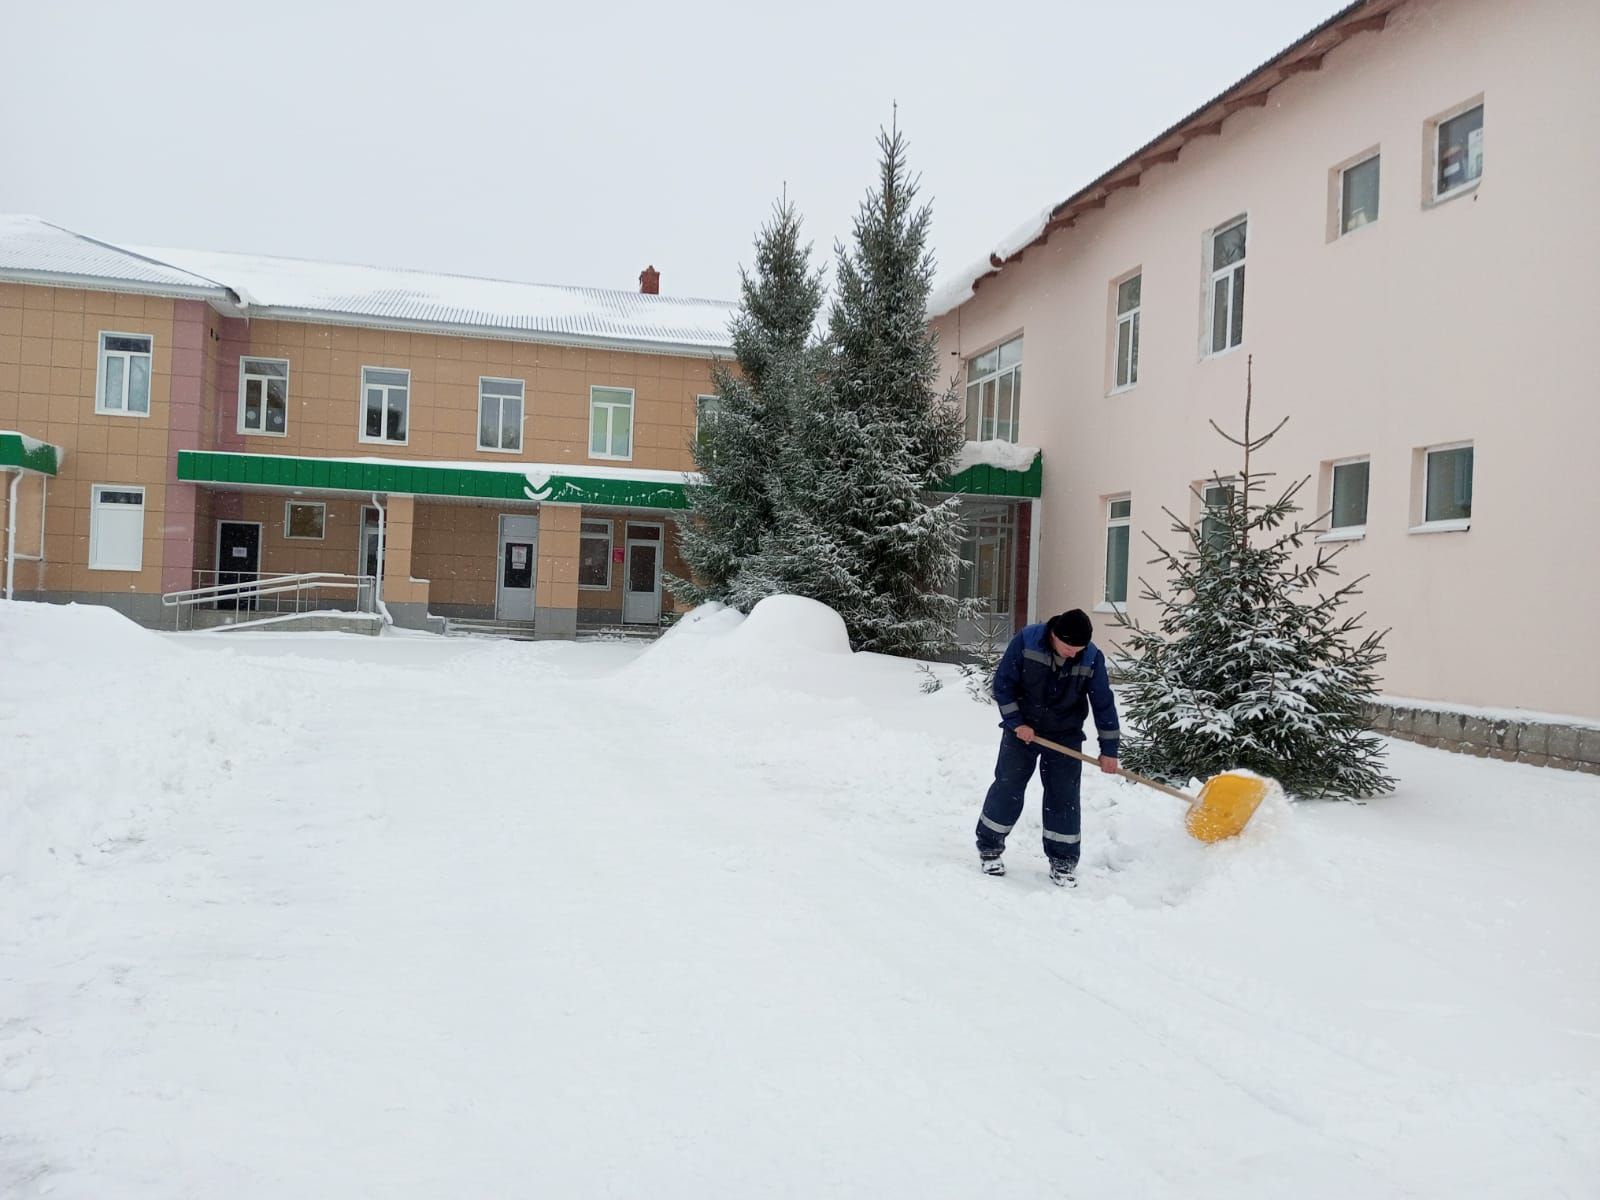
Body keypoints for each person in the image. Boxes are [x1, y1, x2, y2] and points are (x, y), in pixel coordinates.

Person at [974, 608, 1121, 887]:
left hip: (1065, 735)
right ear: (1054, 635)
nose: (1073, 654)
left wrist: (1109, 750)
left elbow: (1103, 703)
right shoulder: (1028, 641)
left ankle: (1063, 861)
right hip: (1023, 730)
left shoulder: (1091, 657)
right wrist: (1016, 722)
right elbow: (1003, 683)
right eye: (1069, 647)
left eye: (1079, 649)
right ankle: (990, 847)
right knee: (1008, 787)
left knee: (1063, 797)